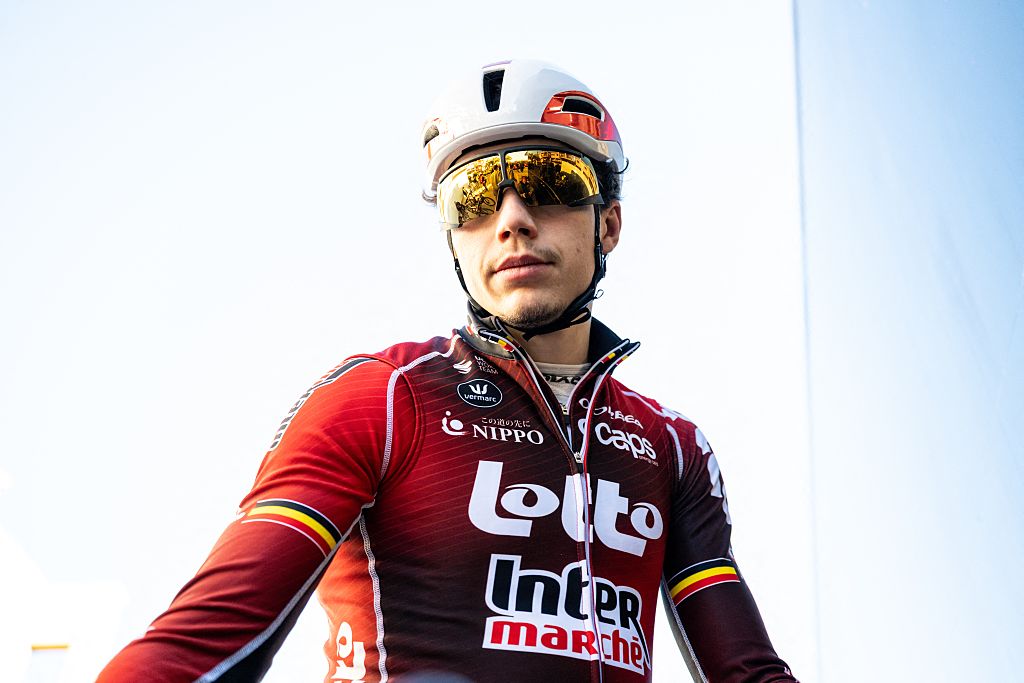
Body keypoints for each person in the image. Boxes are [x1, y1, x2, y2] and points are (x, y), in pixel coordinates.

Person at [99, 59, 797, 683]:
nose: (513, 218)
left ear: (608, 223)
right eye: (474, 197)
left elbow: (747, 671)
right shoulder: (382, 397)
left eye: (548, 183)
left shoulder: (672, 446)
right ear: (453, 239)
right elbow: (201, 642)